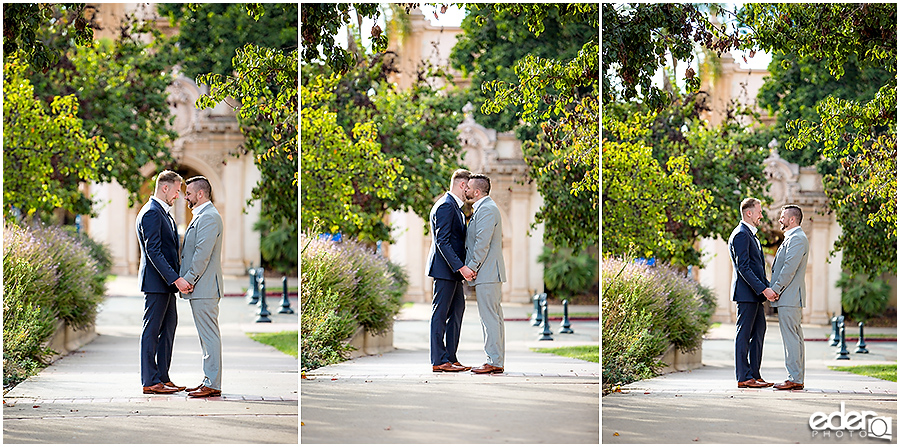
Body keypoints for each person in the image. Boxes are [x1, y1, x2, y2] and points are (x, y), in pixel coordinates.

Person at [136, 170, 192, 395]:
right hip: (155, 283)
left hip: (165, 284)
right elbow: (154, 252)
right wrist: (176, 279)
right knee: (151, 331)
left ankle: (163, 377)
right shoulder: (151, 213)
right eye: (177, 190)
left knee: (168, 329)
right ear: (165, 187)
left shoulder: (163, 212)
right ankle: (150, 381)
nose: (178, 196)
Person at [426, 169, 476, 373]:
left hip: (452, 272)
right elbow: (443, 242)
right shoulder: (446, 206)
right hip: (444, 270)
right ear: (462, 185)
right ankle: (438, 360)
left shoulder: (455, 207)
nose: (471, 192)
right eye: (470, 187)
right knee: (440, 314)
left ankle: (451, 357)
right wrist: (461, 267)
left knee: (456, 312)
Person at [179, 176, 225, 398]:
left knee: (209, 337)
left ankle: (212, 384)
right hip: (202, 288)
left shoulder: (209, 217)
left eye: (188, 193)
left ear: (200, 194)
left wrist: (188, 279)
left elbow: (201, 255)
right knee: (206, 337)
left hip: (204, 287)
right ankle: (209, 380)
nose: (185, 197)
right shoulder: (202, 216)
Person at [728, 197, 777, 389]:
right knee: (744, 334)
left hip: (755, 295)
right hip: (745, 294)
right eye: (759, 211)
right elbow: (744, 268)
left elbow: (758, 268)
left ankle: (755, 374)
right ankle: (743, 376)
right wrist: (763, 289)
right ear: (749, 213)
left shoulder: (751, 235)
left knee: (758, 332)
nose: (761, 215)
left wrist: (768, 288)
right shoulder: (741, 234)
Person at [464, 174, 507, 374]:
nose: (466, 191)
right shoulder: (483, 209)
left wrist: (471, 267)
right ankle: (496, 360)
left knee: (489, 318)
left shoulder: (487, 210)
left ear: (477, 192)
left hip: (488, 273)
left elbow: (482, 243)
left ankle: (493, 361)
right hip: (489, 272)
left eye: (469, 188)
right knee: (494, 318)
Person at [768, 205, 809, 391]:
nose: (780, 220)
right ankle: (797, 377)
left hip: (789, 297)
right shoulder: (792, 238)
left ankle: (794, 378)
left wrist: (775, 290)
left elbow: (788, 269)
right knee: (794, 337)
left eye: (782, 217)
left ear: (792, 219)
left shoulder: (797, 239)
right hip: (789, 297)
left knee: (791, 338)